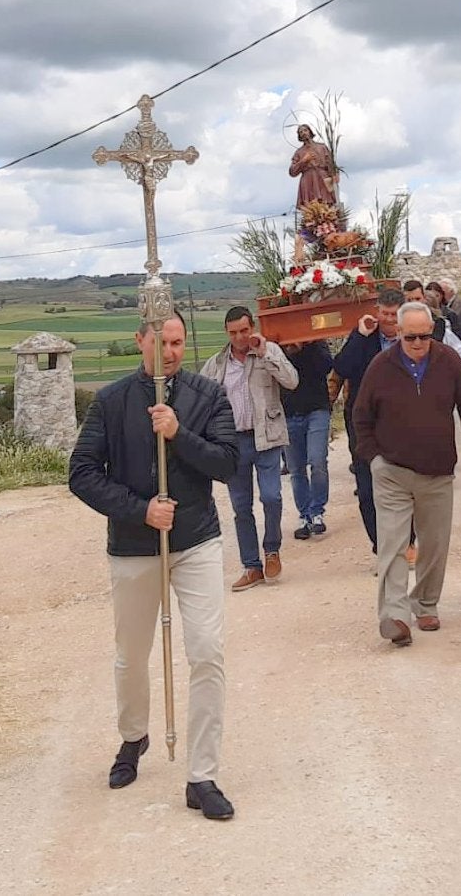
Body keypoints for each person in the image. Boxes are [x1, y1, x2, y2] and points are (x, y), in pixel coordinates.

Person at [69, 311, 240, 819]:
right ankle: (133, 736)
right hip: (133, 543)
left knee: (207, 651)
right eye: (162, 342)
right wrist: (139, 509)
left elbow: (228, 463)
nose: (170, 352)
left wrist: (178, 433)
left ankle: (202, 775)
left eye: (178, 342)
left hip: (196, 540)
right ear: (140, 341)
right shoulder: (111, 401)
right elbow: (81, 473)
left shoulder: (207, 396)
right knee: (131, 654)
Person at [353, 301, 461, 645]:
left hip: (437, 470)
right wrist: (374, 460)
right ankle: (395, 615)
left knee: (434, 543)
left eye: (425, 336)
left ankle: (425, 603)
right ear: (398, 333)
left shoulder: (448, 361)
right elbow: (361, 417)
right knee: (393, 544)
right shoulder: (380, 366)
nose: (418, 343)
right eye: (411, 337)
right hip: (392, 470)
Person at [200, 306, 299, 591]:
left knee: (271, 496)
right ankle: (251, 566)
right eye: (233, 333)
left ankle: (272, 550)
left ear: (252, 327)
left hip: (266, 436)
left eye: (244, 330)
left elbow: (291, 381)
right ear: (226, 333)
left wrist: (266, 353)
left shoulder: (270, 351)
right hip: (233, 443)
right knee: (241, 507)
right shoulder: (217, 364)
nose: (240, 337)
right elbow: (201, 397)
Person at [334, 289, 405, 554]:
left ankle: (406, 542)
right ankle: (381, 545)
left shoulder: (412, 338)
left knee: (403, 485)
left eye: (393, 314)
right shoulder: (362, 336)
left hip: (402, 422)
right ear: (377, 311)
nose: (388, 319)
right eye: (384, 313)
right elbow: (341, 367)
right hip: (363, 423)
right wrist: (360, 337)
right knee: (367, 488)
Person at [282, 340, 333, 540]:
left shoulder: (315, 339)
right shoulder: (275, 342)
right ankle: (304, 516)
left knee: (317, 460)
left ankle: (317, 511)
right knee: (296, 468)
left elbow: (327, 365)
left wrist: (305, 347)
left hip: (316, 407)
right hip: (288, 410)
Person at [288, 124, 336, 209]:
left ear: (310, 132)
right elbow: (292, 171)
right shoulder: (299, 152)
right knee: (311, 207)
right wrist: (304, 160)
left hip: (322, 177)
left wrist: (334, 175)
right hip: (308, 180)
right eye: (300, 132)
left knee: (327, 205)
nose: (303, 133)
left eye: (305, 130)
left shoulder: (322, 147)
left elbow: (330, 164)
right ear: (299, 136)